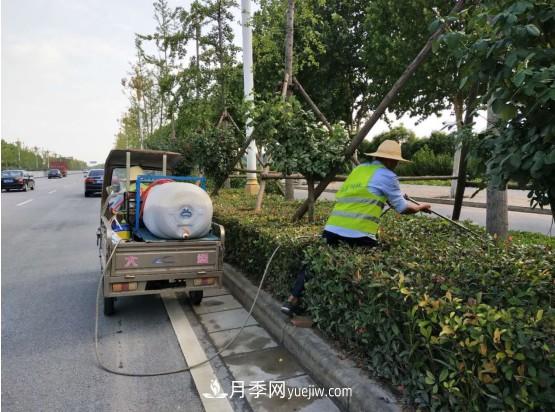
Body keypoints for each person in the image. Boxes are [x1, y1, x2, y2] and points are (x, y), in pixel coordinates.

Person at [281, 139, 432, 316]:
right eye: (397, 161)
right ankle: (360, 314)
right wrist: (421, 207)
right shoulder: (388, 176)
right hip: (359, 234)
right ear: (390, 160)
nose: (397, 164)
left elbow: (364, 194)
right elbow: (403, 208)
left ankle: (291, 301)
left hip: (333, 227)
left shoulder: (359, 170)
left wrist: (390, 198)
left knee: (314, 263)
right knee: (373, 271)